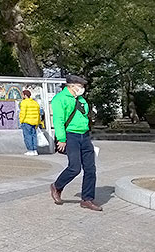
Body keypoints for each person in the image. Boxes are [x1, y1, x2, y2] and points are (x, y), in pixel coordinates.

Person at [50, 75, 102, 211]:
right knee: (74, 168)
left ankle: (87, 199)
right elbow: (58, 120)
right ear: (71, 86)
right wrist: (61, 139)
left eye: (83, 86)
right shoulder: (60, 99)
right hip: (70, 136)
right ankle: (57, 186)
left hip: (84, 135)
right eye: (80, 86)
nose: (82, 89)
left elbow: (85, 117)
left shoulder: (81, 100)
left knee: (90, 169)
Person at [19, 90, 41, 156]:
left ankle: (30, 150)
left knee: (27, 136)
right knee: (34, 136)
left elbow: (23, 113)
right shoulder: (35, 103)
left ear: (25, 95)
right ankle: (35, 150)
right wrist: (38, 122)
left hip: (26, 121)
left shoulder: (24, 103)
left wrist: (21, 121)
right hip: (34, 122)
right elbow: (38, 113)